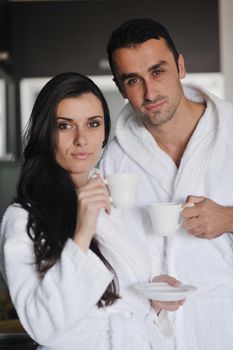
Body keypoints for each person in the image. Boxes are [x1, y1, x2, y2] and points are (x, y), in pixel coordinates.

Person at [0, 72, 183, 350]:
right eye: (64, 126)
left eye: (93, 124)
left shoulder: (118, 201)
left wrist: (152, 297)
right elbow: (42, 326)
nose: (81, 139)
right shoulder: (24, 218)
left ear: (104, 133)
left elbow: (124, 305)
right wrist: (83, 231)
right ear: (45, 133)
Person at [99, 18, 233, 350]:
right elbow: (108, 252)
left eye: (158, 71)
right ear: (120, 88)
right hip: (156, 334)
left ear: (181, 66)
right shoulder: (114, 160)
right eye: (133, 80)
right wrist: (141, 287)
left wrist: (229, 218)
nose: (150, 92)